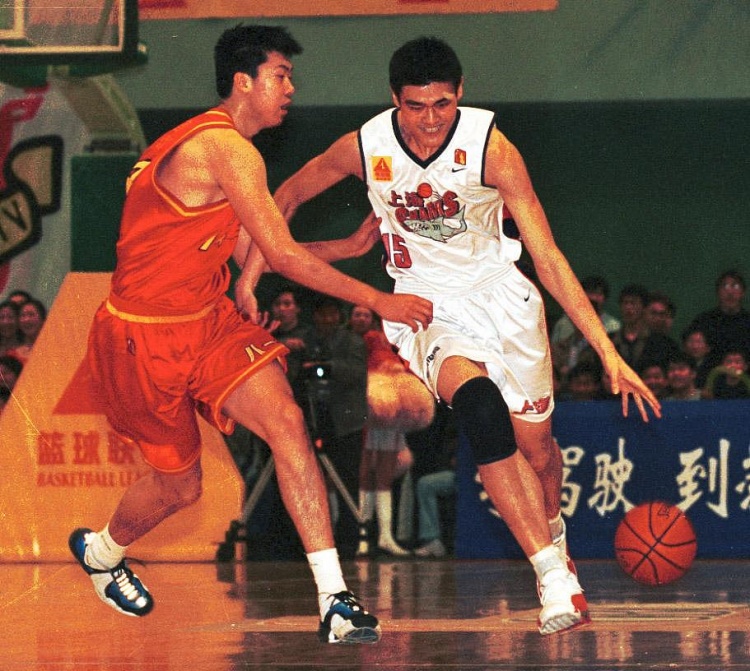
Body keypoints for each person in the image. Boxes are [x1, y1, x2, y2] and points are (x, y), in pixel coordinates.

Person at [268, 37, 661, 635]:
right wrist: (254, 273)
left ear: (461, 94)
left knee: (539, 454)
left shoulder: (492, 150)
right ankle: (550, 575)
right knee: (480, 409)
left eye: (442, 105)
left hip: (504, 299)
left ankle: (553, 535)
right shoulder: (364, 147)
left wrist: (607, 352)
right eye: (415, 106)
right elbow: (286, 197)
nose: (429, 120)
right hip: (426, 306)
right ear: (394, 99)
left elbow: (547, 256)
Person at [68, 25, 433, 645]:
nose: (290, 88)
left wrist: (344, 248)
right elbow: (281, 257)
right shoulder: (224, 148)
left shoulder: (219, 150)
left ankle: (335, 598)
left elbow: (253, 253)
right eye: (280, 75)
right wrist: (378, 299)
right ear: (244, 81)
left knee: (287, 421)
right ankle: (102, 551)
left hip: (207, 323)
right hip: (141, 339)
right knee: (181, 487)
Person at [350, 304, 434, 557]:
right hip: (368, 412)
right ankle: (365, 536)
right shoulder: (364, 341)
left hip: (388, 414)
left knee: (381, 474)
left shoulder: (389, 341)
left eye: (366, 315)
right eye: (357, 314)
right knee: (367, 473)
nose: (361, 318)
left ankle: (383, 536)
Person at [686, 270, 750, 372]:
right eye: (725, 286)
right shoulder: (703, 321)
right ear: (717, 292)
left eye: (735, 286)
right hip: (708, 378)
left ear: (743, 292)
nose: (730, 292)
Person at [550, 274, 620, 344]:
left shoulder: (613, 326)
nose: (593, 297)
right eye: (590, 292)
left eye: (598, 294)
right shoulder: (564, 323)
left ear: (604, 298)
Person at [8, 297, 46, 365]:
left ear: (42, 320)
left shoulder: (53, 349)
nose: (26, 319)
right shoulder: (12, 356)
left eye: (31, 314)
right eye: (23, 315)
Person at [680, 325, 712, 390]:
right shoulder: (677, 367)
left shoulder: (712, 369)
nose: (695, 346)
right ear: (684, 347)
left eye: (699, 342)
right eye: (691, 341)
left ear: (708, 348)